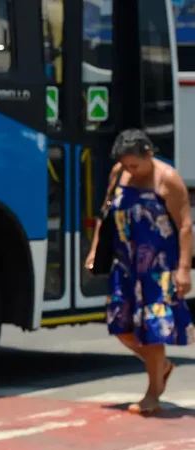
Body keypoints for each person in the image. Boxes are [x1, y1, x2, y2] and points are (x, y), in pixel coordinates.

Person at [85, 129, 195, 414]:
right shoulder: (118, 173)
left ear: (149, 154)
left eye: (134, 165)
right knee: (121, 328)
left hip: (158, 268)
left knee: (153, 332)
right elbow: (105, 213)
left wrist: (184, 269)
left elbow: (184, 225)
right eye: (125, 165)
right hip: (125, 265)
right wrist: (95, 249)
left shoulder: (167, 179)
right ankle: (162, 368)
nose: (130, 170)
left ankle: (152, 394)